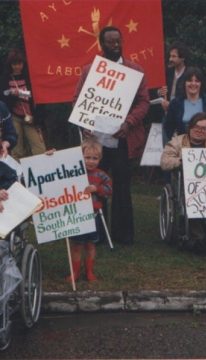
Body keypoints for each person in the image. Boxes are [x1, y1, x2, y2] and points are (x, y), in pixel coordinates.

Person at [73, 26, 149, 245]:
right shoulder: (90, 70)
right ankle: (96, 234)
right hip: (97, 141)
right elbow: (78, 99)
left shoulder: (135, 71)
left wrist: (130, 122)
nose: (115, 45)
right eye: (110, 42)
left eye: (118, 41)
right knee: (95, 185)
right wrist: (84, 122)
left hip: (123, 138)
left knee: (122, 186)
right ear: (102, 44)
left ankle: (123, 235)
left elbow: (144, 101)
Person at [160, 112, 206, 254]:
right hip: (188, 185)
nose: (200, 131)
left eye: (204, 129)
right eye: (197, 127)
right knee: (193, 197)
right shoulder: (177, 141)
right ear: (190, 127)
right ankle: (198, 238)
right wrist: (181, 161)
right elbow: (164, 161)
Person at [66, 138, 112, 282]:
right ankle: (75, 272)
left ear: (100, 159)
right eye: (87, 158)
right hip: (77, 214)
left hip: (93, 215)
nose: (91, 161)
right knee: (76, 245)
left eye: (95, 158)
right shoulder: (73, 172)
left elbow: (109, 189)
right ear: (81, 157)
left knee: (91, 244)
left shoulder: (101, 175)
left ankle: (90, 272)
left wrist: (97, 189)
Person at [0, 48, 46, 161]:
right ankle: (19, 176)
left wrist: (36, 119)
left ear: (23, 63)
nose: (17, 66)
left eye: (19, 63)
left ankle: (42, 172)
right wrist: (12, 96)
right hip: (14, 117)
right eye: (14, 64)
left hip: (31, 117)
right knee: (17, 150)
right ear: (10, 64)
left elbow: (38, 98)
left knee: (39, 148)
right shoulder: (5, 79)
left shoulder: (30, 77)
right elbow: (3, 101)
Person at [164, 66, 206, 143]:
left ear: (201, 83)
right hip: (183, 147)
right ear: (184, 83)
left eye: (197, 81)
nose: (193, 84)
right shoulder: (175, 103)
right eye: (190, 80)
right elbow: (168, 127)